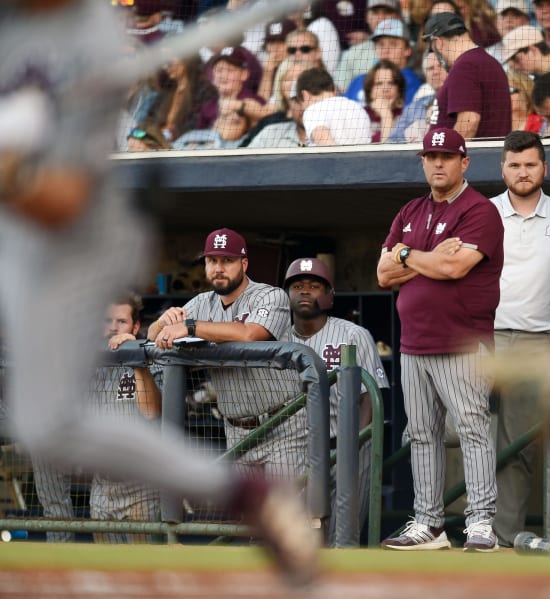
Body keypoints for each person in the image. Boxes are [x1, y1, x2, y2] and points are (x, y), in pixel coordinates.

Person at [0, 0, 315, 583]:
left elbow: (63, 197)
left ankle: (242, 493)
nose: (217, 266)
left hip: (78, 233)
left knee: (43, 422)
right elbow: (162, 329)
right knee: (37, 422)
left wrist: (12, 168)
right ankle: (243, 491)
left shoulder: (90, 34)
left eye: (226, 259)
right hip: (17, 237)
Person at [377, 128, 504, 552]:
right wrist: (417, 258)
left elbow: (455, 270)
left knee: (472, 428)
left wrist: (405, 255)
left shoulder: (479, 210)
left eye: (447, 156)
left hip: (462, 341)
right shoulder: (410, 210)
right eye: (431, 155)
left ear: (463, 162)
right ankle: (429, 524)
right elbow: (382, 275)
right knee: (422, 433)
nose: (437, 162)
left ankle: (481, 521)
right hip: (414, 343)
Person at [148, 228, 307, 481]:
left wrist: (190, 326)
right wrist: (162, 322)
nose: (218, 268)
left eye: (227, 260)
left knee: (284, 512)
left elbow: (250, 334)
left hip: (282, 425)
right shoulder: (201, 303)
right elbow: (151, 334)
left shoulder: (270, 295)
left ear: (244, 263)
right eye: (212, 261)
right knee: (247, 518)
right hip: (235, 429)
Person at [489, 131, 550, 548]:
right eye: (515, 165)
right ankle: (445, 525)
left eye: (531, 165)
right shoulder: (481, 213)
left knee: (518, 444)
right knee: (441, 432)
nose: (523, 172)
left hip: (540, 342)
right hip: (483, 341)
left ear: (545, 168)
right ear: (502, 168)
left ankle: (505, 539)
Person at [282, 257, 389, 545]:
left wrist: (354, 442)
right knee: (303, 539)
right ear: (287, 295)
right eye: (298, 286)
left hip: (346, 444)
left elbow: (371, 397)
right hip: (296, 449)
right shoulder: (276, 338)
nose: (305, 291)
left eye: (314, 286)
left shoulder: (353, 334)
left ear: (329, 295)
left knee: (344, 536)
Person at [89, 292, 162, 544]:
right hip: (101, 484)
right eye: (107, 320)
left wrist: (135, 358)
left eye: (121, 321)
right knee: (105, 564)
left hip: (140, 484)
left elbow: (152, 412)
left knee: (143, 568)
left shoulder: (151, 356)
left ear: (135, 326)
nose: (113, 328)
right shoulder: (90, 362)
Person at [422, 12, 510, 139]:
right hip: (487, 154)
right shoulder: (489, 62)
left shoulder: (464, 66)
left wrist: (451, 157)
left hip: (474, 157)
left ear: (438, 42)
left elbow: (469, 122)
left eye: (432, 48)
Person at [345, 18, 423, 107]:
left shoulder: (411, 81)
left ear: (407, 50)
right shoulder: (359, 80)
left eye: (393, 44)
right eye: (381, 44)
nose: (385, 50)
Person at [196, 45, 271, 132]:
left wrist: (238, 106)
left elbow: (266, 118)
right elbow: (198, 137)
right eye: (219, 70)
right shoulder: (208, 106)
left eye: (230, 70)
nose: (223, 76)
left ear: (244, 75)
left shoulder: (254, 100)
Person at [335, 0, 403, 93]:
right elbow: (340, 93)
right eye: (375, 13)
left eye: (387, 12)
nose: (381, 18)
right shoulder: (352, 54)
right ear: (367, 17)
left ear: (398, 16)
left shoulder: (410, 50)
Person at [147, 54, 217, 143]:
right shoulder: (166, 90)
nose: (166, 67)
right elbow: (149, 119)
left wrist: (176, 132)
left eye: (170, 63)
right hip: (157, 144)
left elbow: (200, 123)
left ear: (187, 60)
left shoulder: (204, 90)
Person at [294, 67, 371, 145]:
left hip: (337, 157)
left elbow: (323, 139)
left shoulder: (312, 110)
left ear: (305, 95)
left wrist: (339, 157)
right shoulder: (357, 107)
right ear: (334, 90)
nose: (304, 108)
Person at [389, 50, 449, 143]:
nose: (436, 72)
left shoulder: (462, 101)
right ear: (426, 76)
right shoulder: (414, 107)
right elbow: (392, 141)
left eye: (440, 66)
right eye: (430, 68)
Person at [362, 60, 406, 142]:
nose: (385, 89)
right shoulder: (359, 114)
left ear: (399, 90)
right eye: (379, 83)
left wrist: (386, 115)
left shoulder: (407, 116)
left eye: (391, 83)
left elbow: (390, 153)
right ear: (370, 90)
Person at [487, 0, 531, 65]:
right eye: (504, 14)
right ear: (496, 22)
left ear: (526, 21)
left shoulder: (536, 51)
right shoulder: (486, 53)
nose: (509, 19)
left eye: (515, 15)